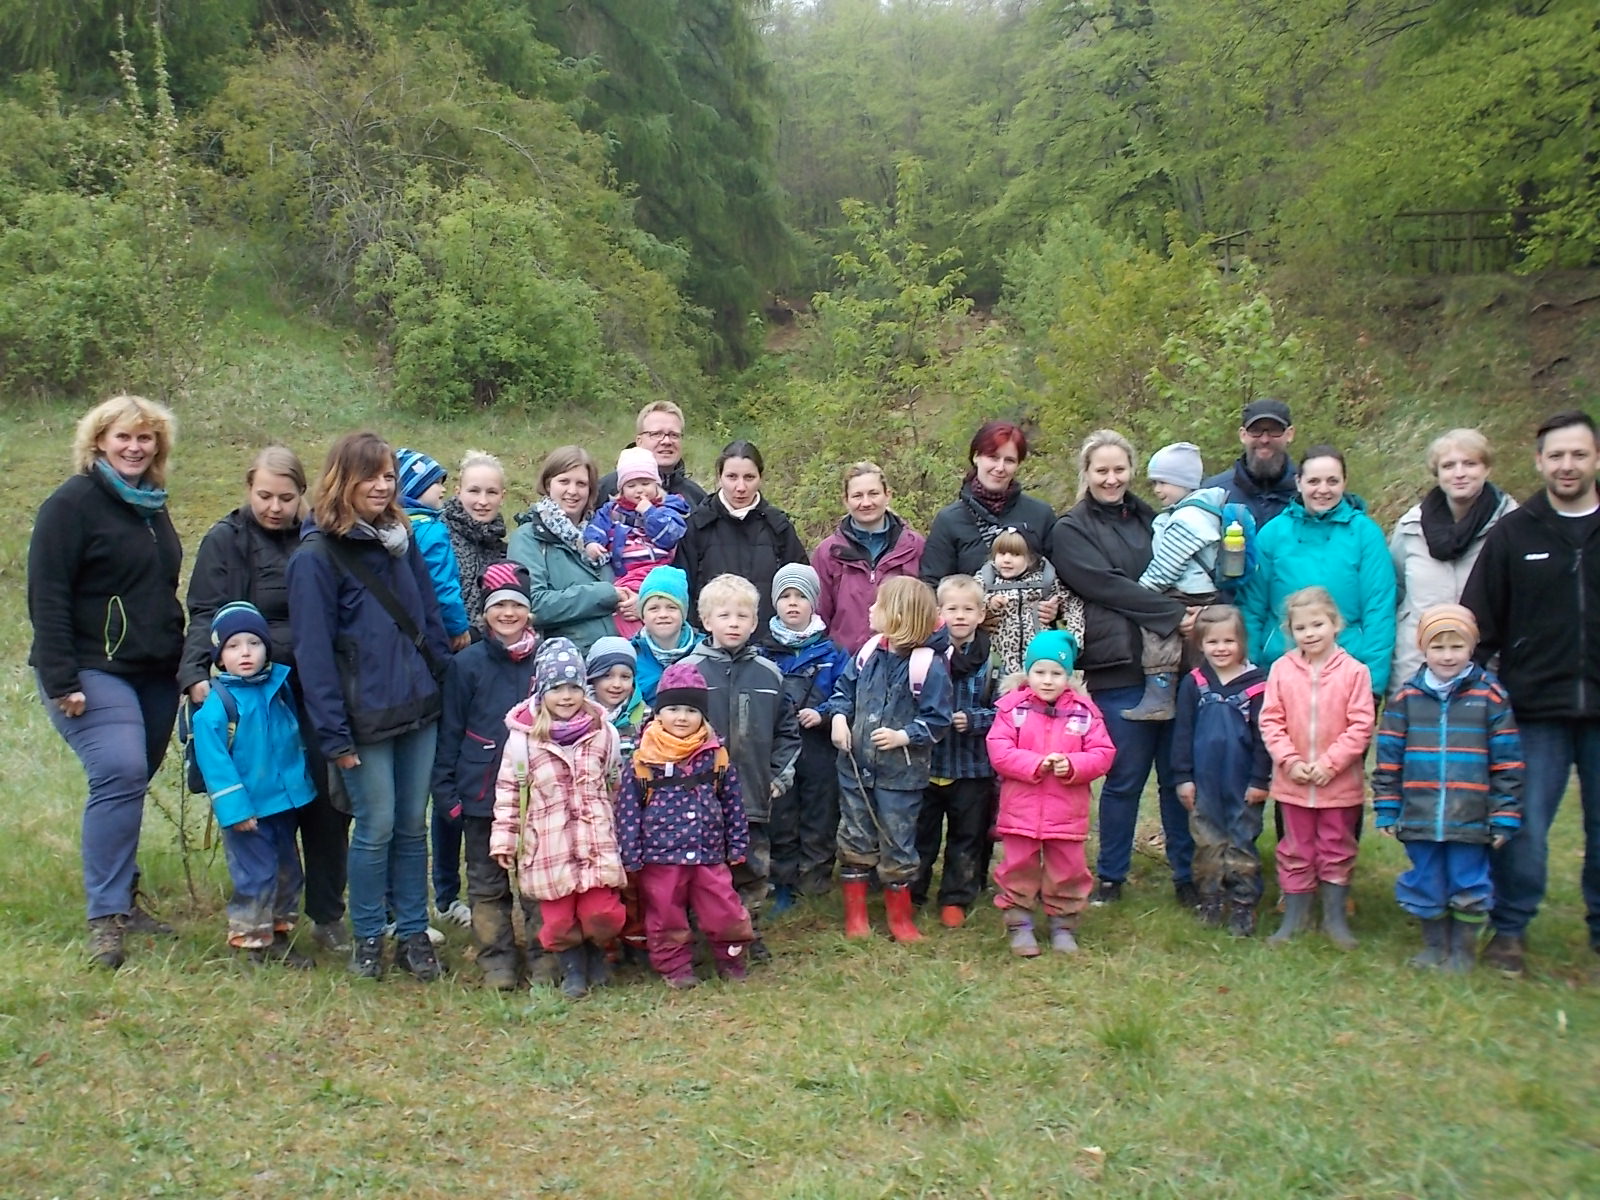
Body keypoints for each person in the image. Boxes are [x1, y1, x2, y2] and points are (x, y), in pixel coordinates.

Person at [288, 431, 450, 982]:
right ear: (343, 479)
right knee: (375, 825)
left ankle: (412, 934)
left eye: (389, 476)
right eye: (371, 476)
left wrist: (442, 685)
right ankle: (367, 937)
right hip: (364, 719)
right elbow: (313, 653)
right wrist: (334, 735)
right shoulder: (316, 556)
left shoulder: (398, 539)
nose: (382, 486)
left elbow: (428, 619)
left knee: (411, 824)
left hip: (418, 707)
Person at [29, 394, 184, 970]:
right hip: (90, 669)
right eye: (123, 437)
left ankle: (127, 895)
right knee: (118, 769)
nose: (135, 447)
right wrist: (60, 678)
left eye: (145, 438)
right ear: (98, 442)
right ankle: (105, 919)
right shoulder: (71, 505)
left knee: (132, 781)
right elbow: (46, 594)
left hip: (153, 672)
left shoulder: (150, 506)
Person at [181, 445, 352, 954]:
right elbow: (203, 611)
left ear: (304, 495)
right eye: (264, 496)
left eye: (286, 497)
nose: (275, 507)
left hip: (316, 690)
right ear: (247, 489)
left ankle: (326, 914)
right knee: (264, 806)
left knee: (326, 806)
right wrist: (194, 672)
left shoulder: (320, 538)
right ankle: (262, 918)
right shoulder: (226, 541)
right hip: (251, 696)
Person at [1462, 409, 1600, 978]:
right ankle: (1510, 929)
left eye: (1578, 454)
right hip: (1532, 708)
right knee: (1521, 826)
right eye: (1556, 455)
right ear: (1539, 461)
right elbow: (1477, 625)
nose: (1567, 465)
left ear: (1595, 459)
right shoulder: (1514, 534)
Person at [1050, 429, 1196, 909]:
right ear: (1086, 474)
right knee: (1125, 776)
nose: (1111, 479)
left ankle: (1186, 873)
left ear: (1131, 470)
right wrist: (1171, 613)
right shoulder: (1070, 528)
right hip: (1117, 666)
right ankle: (1112, 875)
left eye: (1119, 469)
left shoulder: (1155, 518)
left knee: (1177, 776)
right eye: (1101, 471)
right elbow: (1103, 584)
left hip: (1173, 664)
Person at [1374, 604, 1522, 973]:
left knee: (1468, 881)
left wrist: (1504, 814)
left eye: (1456, 647)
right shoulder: (1407, 698)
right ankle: (1433, 944)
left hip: (1470, 816)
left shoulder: (1491, 697)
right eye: (1438, 648)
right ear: (1424, 650)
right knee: (1425, 879)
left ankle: (1463, 950)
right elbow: (1389, 758)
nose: (1447, 656)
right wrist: (1388, 807)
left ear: (1471, 648)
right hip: (1420, 813)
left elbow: (1507, 762)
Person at [490, 638, 626, 1000]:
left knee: (602, 913)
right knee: (560, 921)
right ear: (541, 690)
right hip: (548, 846)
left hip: (595, 841)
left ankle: (599, 951)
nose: (565, 697)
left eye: (573, 688)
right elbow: (508, 794)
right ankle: (572, 968)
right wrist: (505, 840)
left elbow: (615, 782)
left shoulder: (603, 733)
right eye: (556, 688)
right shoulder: (523, 741)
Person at [430, 561, 543, 990]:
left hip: (536, 793)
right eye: (499, 606)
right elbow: (451, 732)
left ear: (529, 611)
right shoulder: (468, 664)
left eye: (516, 605)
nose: (508, 613)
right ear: (485, 613)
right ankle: (497, 958)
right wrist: (448, 794)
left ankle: (545, 954)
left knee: (536, 880)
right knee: (485, 881)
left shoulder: (548, 659)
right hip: (481, 795)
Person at [614, 661, 756, 988]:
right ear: (658, 713)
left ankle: (731, 958)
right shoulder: (642, 758)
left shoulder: (715, 754)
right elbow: (628, 810)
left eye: (691, 710)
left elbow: (732, 800)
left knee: (724, 910)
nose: (681, 717)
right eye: (673, 708)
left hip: (709, 854)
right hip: (660, 858)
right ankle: (675, 967)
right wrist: (631, 854)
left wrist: (737, 844)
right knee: (665, 915)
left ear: (702, 715)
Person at [829, 576, 953, 943]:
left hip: (902, 776)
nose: (870, 610)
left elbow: (938, 719)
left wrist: (904, 736)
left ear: (899, 615)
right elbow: (843, 690)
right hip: (855, 769)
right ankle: (856, 917)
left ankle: (900, 918)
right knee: (854, 836)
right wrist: (838, 718)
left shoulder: (927, 665)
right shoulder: (867, 651)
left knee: (899, 840)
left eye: (878, 605)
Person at [193, 602, 316, 969]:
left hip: (283, 803)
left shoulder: (277, 688)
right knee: (255, 875)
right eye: (233, 646)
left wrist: (301, 790)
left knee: (287, 871)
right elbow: (216, 766)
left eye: (253, 643)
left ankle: (276, 932)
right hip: (248, 809)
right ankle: (249, 941)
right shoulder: (218, 707)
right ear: (219, 657)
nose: (245, 653)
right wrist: (236, 810)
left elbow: (290, 742)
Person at [686, 574, 802, 959]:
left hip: (752, 793)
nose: (733, 623)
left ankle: (746, 932)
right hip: (699, 797)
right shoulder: (689, 673)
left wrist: (777, 779)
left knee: (751, 866)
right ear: (706, 620)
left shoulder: (770, 675)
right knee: (704, 868)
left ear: (755, 622)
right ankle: (703, 936)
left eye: (742, 616)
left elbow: (788, 732)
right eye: (724, 615)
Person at [1259, 587, 1376, 949]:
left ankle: (1335, 920)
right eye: (1301, 627)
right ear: (1289, 631)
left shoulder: (1355, 672)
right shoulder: (1281, 669)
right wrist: (1290, 761)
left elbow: (1361, 725)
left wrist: (1331, 764)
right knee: (1295, 847)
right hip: (1293, 783)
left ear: (1335, 623)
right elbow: (1270, 720)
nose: (1310, 633)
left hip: (1338, 785)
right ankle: (1295, 919)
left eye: (1317, 624)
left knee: (1336, 847)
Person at [987, 630, 1116, 956]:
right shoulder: (1011, 708)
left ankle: (1064, 923)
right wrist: (1034, 764)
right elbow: (998, 750)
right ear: (1027, 673)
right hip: (1021, 809)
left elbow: (1103, 753)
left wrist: (1072, 765)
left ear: (1068, 676)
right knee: (1018, 866)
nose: (1047, 680)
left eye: (1056, 673)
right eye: (1040, 672)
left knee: (1068, 868)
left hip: (1066, 811)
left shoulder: (1085, 712)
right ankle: (1019, 923)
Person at [1239, 445, 1396, 697]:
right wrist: (1250, 672)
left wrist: (1373, 682)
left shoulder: (1366, 534)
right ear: (1299, 483)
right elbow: (1253, 607)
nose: (1323, 490)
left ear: (1344, 482)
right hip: (1280, 670)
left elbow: (1379, 609)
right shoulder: (1273, 533)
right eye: (1314, 481)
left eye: (1332, 481)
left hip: (1347, 671)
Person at [1389, 429, 1515, 696]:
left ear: (1487, 468)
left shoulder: (1512, 526)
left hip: (1487, 669)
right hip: (1415, 668)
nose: (1459, 473)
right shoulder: (1410, 527)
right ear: (1437, 473)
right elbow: (1397, 587)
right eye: (1448, 465)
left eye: (1470, 463)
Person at [1171, 606, 1271, 937]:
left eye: (1229, 640)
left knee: (1242, 841)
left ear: (1242, 641)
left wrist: (1260, 780)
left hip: (1243, 783)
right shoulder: (1194, 683)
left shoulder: (1258, 686)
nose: (1221, 648)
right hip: (1204, 783)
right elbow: (1183, 733)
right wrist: (1183, 777)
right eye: (1213, 641)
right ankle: (1210, 898)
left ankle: (1243, 903)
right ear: (1200, 644)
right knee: (1207, 841)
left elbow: (1264, 739)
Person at [913, 575, 1000, 927]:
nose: (960, 616)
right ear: (938, 613)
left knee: (967, 835)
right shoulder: (923, 656)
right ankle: (912, 892)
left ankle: (956, 896)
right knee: (922, 834)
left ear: (981, 614)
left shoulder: (992, 661)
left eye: (968, 609)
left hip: (973, 766)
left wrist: (975, 719)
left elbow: (1007, 710)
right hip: (928, 761)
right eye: (952, 609)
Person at [765, 564, 850, 908]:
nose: (793, 603)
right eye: (785, 596)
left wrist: (825, 712)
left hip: (819, 748)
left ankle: (815, 881)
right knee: (781, 814)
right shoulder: (764, 652)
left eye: (800, 596)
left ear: (814, 602)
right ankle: (781, 882)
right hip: (779, 749)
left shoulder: (833, 653)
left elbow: (847, 693)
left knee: (820, 812)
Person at [1125, 442, 1226, 721]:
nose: (1157, 490)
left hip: (1186, 593)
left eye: (1163, 482)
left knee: (1157, 631)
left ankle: (1160, 694)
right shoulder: (1202, 512)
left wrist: (1141, 594)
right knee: (1197, 653)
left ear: (1184, 482)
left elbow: (1167, 566)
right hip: (1201, 596)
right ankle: (1201, 701)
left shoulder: (1187, 519)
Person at [677, 441, 807, 637]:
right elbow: (682, 593)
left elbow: (800, 589)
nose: (740, 487)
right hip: (709, 646)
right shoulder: (696, 526)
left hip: (769, 646)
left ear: (761, 478)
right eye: (731, 477)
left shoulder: (779, 527)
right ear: (719, 478)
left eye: (749, 477)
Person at [509, 445, 628, 653]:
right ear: (548, 485)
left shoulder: (605, 533)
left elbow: (628, 582)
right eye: (564, 481)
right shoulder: (529, 538)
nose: (572, 491)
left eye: (581, 484)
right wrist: (605, 594)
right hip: (564, 663)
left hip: (617, 661)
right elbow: (533, 606)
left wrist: (635, 601)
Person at [921, 420, 1058, 585]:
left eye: (1009, 460)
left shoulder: (1040, 515)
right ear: (976, 457)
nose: (1000, 467)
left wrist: (1052, 606)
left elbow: (1060, 577)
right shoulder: (949, 521)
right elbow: (931, 584)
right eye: (993, 457)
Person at [811, 462, 926, 652]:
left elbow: (925, 609)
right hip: (845, 664)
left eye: (873, 493)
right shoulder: (828, 552)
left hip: (902, 659)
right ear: (846, 500)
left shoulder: (914, 546)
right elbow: (818, 615)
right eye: (857, 496)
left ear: (887, 495)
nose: (866, 503)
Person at [583, 447, 691, 637]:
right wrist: (592, 543)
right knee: (621, 607)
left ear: (656, 484)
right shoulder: (612, 510)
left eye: (645, 483)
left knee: (647, 608)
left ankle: (650, 641)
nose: (640, 490)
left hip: (653, 570)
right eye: (631, 485)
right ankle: (633, 643)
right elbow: (596, 527)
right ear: (621, 489)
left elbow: (670, 536)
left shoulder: (668, 508)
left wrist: (649, 512)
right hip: (623, 572)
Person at [395, 447, 474, 652]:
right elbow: (442, 583)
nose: (443, 490)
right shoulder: (431, 530)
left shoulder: (393, 525)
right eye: (436, 483)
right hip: (433, 627)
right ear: (414, 486)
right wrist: (458, 627)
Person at [979, 528, 1081, 678]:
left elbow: (1073, 605)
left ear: (1031, 558)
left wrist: (1073, 641)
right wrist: (988, 603)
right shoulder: (986, 579)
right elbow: (969, 603)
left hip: (1041, 661)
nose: (1006, 559)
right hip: (999, 662)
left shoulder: (1045, 580)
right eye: (1001, 553)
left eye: (1015, 554)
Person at [1200, 398, 1299, 529]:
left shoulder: (1309, 493)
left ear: (1289, 434)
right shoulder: (1213, 493)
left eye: (1274, 430)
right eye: (1256, 431)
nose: (1264, 439)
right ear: (1243, 435)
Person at [440, 450, 510, 635]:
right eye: (474, 491)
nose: (483, 501)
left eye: (492, 492)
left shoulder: (502, 549)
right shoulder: (439, 535)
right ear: (458, 492)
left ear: (502, 497)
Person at [595, 400, 708, 508]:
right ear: (639, 441)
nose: (666, 441)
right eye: (657, 434)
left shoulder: (696, 497)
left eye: (674, 435)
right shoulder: (605, 489)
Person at [629, 566, 702, 706]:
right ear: (642, 615)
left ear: (683, 612)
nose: (663, 615)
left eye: (671, 607)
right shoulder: (631, 654)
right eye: (653, 608)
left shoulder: (705, 650)